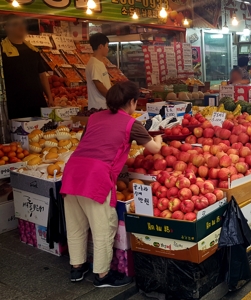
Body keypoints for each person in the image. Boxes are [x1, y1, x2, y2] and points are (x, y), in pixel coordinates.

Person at [61, 81, 162, 287]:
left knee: (76, 225)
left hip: (72, 171)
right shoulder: (131, 123)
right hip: (96, 177)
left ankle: (77, 268)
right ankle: (102, 275)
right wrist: (159, 138)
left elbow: (88, 142)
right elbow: (153, 149)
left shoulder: (94, 117)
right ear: (133, 102)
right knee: (103, 226)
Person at [1, 14, 52, 119]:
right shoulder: (3, 50)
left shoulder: (33, 50)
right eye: (15, 24)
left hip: (37, 102)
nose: (21, 27)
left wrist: (49, 97)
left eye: (22, 24)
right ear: (5, 27)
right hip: (14, 105)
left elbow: (42, 75)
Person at [86, 33, 111, 109]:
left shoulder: (99, 62)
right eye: (107, 46)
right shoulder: (94, 64)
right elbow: (99, 85)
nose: (108, 49)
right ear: (101, 46)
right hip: (98, 107)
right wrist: (112, 98)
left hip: (104, 105)